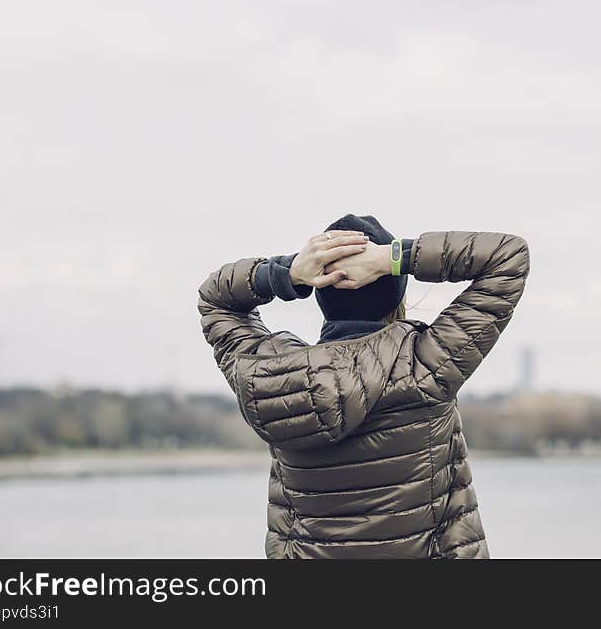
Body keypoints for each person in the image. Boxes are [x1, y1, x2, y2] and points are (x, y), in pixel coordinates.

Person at [197, 214, 529, 558]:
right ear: (393, 291)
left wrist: (289, 272)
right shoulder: (426, 364)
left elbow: (215, 299)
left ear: (321, 294)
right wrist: (393, 258)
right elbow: (507, 256)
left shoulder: (269, 378)